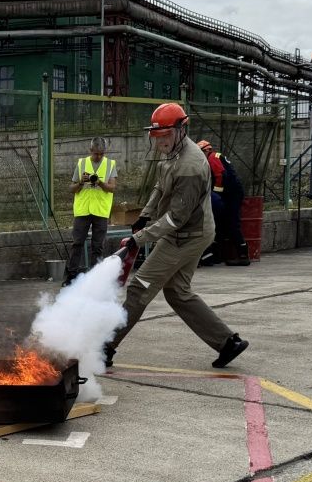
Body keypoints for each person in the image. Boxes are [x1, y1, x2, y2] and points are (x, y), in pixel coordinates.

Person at [103, 103, 249, 369]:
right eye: (156, 137)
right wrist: (144, 215)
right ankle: (228, 343)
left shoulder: (191, 166)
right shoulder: (173, 151)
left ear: (182, 128)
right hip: (189, 230)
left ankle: (106, 347)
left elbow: (175, 218)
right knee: (178, 292)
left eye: (165, 136)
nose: (161, 143)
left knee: (139, 288)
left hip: (186, 235)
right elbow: (161, 186)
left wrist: (141, 237)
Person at [63, 137, 117, 286]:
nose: (99, 156)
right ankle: (70, 277)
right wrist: (81, 181)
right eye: (96, 153)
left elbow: (112, 188)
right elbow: (71, 189)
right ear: (90, 150)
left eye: (101, 153)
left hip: (100, 210)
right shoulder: (81, 163)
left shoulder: (110, 164)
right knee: (77, 243)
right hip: (83, 210)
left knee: (97, 246)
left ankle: (95, 279)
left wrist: (99, 182)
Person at [198, 140, 250, 266]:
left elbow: (220, 176)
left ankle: (243, 255)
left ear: (206, 150)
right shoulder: (215, 157)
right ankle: (217, 256)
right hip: (230, 193)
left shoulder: (213, 158)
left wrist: (216, 194)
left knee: (232, 223)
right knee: (222, 224)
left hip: (232, 194)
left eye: (200, 153)